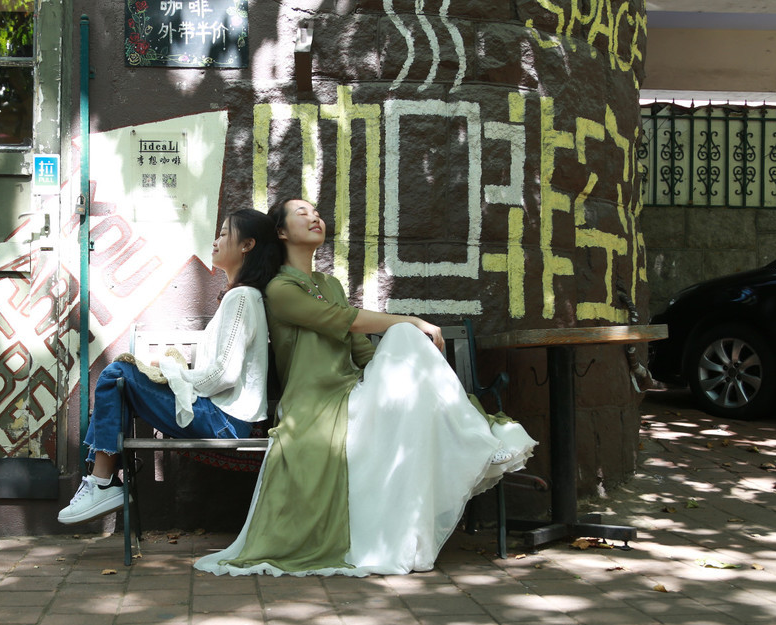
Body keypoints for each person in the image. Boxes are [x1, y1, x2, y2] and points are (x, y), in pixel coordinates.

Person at [194, 199, 536, 576]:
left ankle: (469, 447)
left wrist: (404, 377)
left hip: (352, 391)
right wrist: (411, 321)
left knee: (407, 351)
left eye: (316, 213)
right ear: (281, 232)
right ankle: (477, 439)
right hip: (314, 403)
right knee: (405, 332)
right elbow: (341, 319)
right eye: (302, 214)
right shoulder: (279, 288)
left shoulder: (330, 283)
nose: (315, 217)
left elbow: (359, 348)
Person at [58, 209, 281, 524]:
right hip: (223, 417)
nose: (215, 241)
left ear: (247, 245)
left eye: (223, 234)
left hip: (224, 420)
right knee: (120, 383)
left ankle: (102, 482)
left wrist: (175, 375)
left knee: (116, 375)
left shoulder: (242, 297)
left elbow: (224, 374)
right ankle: (102, 482)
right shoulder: (242, 296)